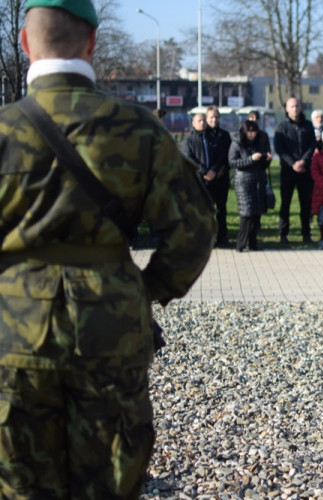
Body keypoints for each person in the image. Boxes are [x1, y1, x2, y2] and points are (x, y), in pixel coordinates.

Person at [0, 1, 216, 497]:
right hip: (110, 327)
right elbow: (195, 229)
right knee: (110, 481)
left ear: (24, 42)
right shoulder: (139, 128)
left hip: (12, 333)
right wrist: (142, 290)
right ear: (92, 44)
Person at [182, 111, 230, 246]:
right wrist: (204, 171)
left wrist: (214, 170)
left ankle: (218, 238)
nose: (202, 123)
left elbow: (220, 156)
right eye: (199, 121)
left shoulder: (213, 139)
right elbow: (189, 159)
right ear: (193, 123)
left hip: (213, 181)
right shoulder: (189, 141)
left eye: (204, 120)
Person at [274, 97, 316, 244]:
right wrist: (293, 163)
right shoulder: (282, 127)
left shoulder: (308, 126)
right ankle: (283, 233)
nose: (295, 109)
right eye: (292, 106)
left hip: (305, 171)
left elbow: (312, 145)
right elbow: (280, 149)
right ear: (287, 108)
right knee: (285, 203)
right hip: (288, 170)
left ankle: (306, 234)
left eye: (297, 106)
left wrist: (303, 161)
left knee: (306, 204)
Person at [229, 120, 272, 252]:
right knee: (246, 213)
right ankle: (241, 244)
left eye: (254, 131)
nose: (252, 134)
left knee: (256, 212)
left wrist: (266, 160)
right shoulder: (237, 143)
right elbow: (232, 162)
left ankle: (253, 244)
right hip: (243, 181)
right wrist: (251, 159)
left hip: (258, 179)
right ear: (244, 131)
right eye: (249, 131)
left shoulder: (260, 142)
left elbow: (263, 165)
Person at [205, 106, 232, 246]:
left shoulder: (224, 135)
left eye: (216, 117)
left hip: (222, 178)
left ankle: (222, 237)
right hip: (207, 179)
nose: (214, 120)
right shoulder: (203, 134)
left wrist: (222, 169)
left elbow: (229, 155)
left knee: (222, 209)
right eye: (211, 117)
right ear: (206, 118)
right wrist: (210, 172)